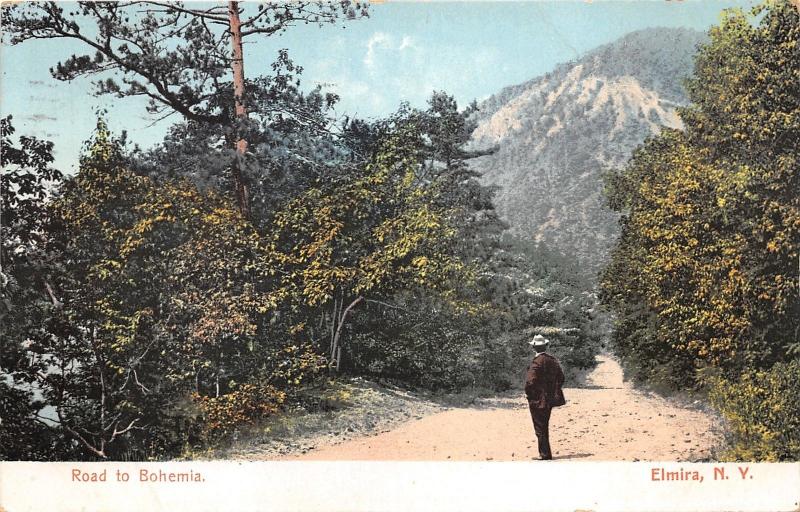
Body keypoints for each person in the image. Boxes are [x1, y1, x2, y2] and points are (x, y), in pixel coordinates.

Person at [524, 334, 565, 460]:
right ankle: (545, 453)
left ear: (534, 348)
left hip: (537, 400)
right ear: (546, 346)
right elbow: (561, 378)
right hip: (549, 399)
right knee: (544, 425)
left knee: (540, 427)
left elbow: (530, 381)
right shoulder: (553, 360)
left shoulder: (537, 362)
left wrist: (530, 394)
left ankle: (545, 454)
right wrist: (552, 390)